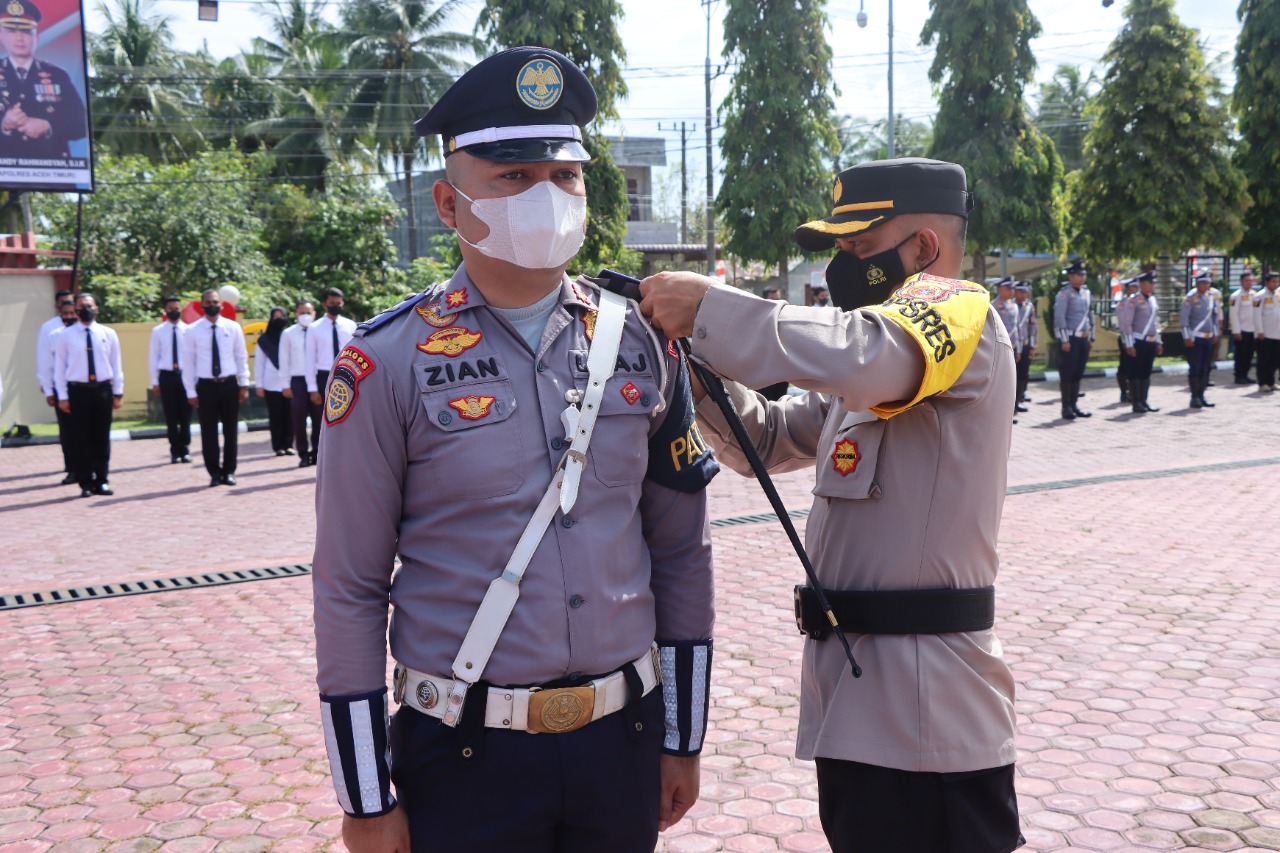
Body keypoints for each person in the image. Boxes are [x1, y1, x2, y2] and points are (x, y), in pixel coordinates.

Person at [311, 46, 718, 853]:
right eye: (511, 176)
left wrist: (683, 734)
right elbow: (350, 585)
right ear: (449, 203)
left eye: (565, 176)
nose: (547, 196)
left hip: (621, 740)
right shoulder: (386, 360)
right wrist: (364, 796)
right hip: (464, 751)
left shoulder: (640, 340)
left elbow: (681, 552)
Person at [640, 157, 1022, 853]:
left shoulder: (959, 314)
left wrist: (712, 308)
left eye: (859, 250)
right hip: (855, 704)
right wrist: (691, 369)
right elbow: (775, 435)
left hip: (932, 715)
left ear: (924, 249)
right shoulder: (874, 366)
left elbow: (862, 353)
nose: (844, 269)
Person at [0, 0, 88, 162]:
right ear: (1, 36)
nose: (19, 38)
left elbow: (81, 124)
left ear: (37, 38)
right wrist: (4, 124)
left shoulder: (58, 76)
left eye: (26, 32)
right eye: (12, 31)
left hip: (52, 170)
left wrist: (49, 127)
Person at [53, 293, 122, 496]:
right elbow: (59, 368)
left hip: (102, 390)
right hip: (77, 390)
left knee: (101, 437)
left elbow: (116, 364)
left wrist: (118, 391)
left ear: (97, 308)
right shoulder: (65, 336)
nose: (86, 309)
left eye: (89, 305)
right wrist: (62, 397)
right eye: (82, 306)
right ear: (75, 309)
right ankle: (85, 482)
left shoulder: (108, 333)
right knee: (81, 438)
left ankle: (102, 479)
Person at [182, 288, 249, 486]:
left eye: (215, 302)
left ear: (222, 304)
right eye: (208, 303)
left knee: (231, 430)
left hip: (228, 384)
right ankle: (214, 472)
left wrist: (244, 383)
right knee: (208, 431)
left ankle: (229, 471)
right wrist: (191, 391)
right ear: (201, 305)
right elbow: (188, 362)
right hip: (206, 386)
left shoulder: (233, 327)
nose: (212, 306)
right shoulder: (192, 330)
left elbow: (240, 356)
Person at [35, 288, 75, 482]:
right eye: (63, 305)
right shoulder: (50, 329)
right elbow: (45, 361)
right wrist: (48, 388)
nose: (67, 309)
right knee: (67, 430)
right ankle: (72, 467)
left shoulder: (85, 328)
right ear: (57, 306)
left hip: (83, 386)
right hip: (61, 386)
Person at [149, 295, 191, 463]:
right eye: (170, 309)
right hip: (167, 375)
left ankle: (185, 448)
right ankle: (175, 450)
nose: (174, 311)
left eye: (176, 308)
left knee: (186, 415)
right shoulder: (158, 331)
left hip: (185, 375)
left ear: (181, 309)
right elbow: (154, 356)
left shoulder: (189, 330)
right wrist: (155, 380)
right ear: (165, 311)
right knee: (171, 415)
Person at [278, 300, 320, 467]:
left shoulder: (319, 331)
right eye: (302, 312)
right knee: (298, 418)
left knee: (319, 418)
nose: (305, 316)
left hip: (318, 378)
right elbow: (283, 359)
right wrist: (285, 384)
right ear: (295, 314)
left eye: (308, 312)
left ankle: (317, 452)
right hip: (297, 380)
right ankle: (303, 453)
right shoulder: (288, 333)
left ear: (314, 313)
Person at [305, 287, 357, 410]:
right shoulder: (314, 328)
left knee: (349, 412)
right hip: (324, 375)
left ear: (342, 303)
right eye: (332, 303)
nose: (336, 306)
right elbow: (310, 359)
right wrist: (312, 388)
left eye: (338, 303)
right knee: (324, 415)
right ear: (324, 305)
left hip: (347, 373)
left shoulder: (350, 326)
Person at [1054, 260, 1094, 419]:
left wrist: (1092, 336)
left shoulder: (1086, 293)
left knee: (1078, 372)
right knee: (1068, 373)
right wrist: (1064, 340)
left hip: (1083, 338)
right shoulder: (1064, 293)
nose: (1082, 278)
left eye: (1083, 275)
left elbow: (1091, 315)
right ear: (1071, 276)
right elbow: (1059, 317)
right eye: (1078, 275)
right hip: (1070, 338)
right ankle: (1066, 407)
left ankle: (1075, 404)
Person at [1119, 271, 1162, 414]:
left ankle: (1144, 400)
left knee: (1146, 373)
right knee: (1135, 373)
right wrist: (1130, 344)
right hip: (1138, 341)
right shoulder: (1133, 300)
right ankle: (1136, 401)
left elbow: (1156, 322)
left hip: (1150, 341)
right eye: (1150, 283)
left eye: (1153, 283)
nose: (1152, 285)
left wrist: (1159, 341)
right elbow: (1127, 324)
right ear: (1143, 284)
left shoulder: (1152, 300)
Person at [253, 307, 294, 457]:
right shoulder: (264, 340)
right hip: (270, 382)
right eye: (275, 317)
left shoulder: (291, 334)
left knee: (289, 415)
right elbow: (259, 363)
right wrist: (259, 384)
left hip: (290, 381)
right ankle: (278, 446)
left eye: (281, 316)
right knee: (275, 416)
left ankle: (289, 444)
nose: (278, 320)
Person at [1181, 270, 1221, 409]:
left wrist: (1216, 333)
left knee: (1205, 368)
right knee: (1195, 367)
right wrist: (1187, 337)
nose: (1206, 285)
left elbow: (1214, 317)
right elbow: (1184, 320)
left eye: (1207, 283)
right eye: (1203, 283)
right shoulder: (1190, 298)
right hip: (1195, 338)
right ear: (1197, 284)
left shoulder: (1211, 297)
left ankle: (1202, 395)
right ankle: (1194, 397)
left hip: (1208, 337)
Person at [991, 277, 1022, 422]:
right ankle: (1000, 415)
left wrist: (1019, 349)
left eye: (1012, 288)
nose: (1011, 291)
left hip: (1013, 348)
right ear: (1000, 289)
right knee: (1000, 384)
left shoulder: (1014, 306)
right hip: (999, 350)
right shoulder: (993, 306)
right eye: (1008, 288)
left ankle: (1010, 412)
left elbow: (1017, 328)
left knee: (1011, 383)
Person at [756, 287, 790, 400]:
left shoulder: (785, 317)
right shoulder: (757, 319)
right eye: (773, 299)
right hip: (764, 371)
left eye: (778, 299)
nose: (777, 302)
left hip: (782, 370)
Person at [1229, 269, 1258, 385]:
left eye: (1251, 280)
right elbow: (1233, 314)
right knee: (1240, 354)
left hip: (1253, 330)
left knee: (1249, 354)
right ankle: (1239, 375)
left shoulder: (1254, 295)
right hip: (1242, 330)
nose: (1249, 283)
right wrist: (1236, 331)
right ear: (1241, 282)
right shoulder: (1235, 296)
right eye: (1246, 280)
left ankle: (1245, 374)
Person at [1114, 276, 1140, 403]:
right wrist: (1125, 341)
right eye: (1133, 288)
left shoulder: (1139, 302)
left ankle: (1133, 391)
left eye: (1136, 287)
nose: (1135, 290)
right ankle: (1124, 392)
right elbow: (1123, 323)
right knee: (1124, 366)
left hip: (1137, 338)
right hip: (1125, 338)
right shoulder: (1123, 303)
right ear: (1128, 289)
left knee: (1135, 366)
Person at [1254, 271, 1280, 392]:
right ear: (1266, 282)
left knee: (1274, 359)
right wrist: (1260, 331)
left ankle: (1271, 381)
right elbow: (1256, 314)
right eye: (1273, 281)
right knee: (1264, 359)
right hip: (1265, 333)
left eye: (1277, 281)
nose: (1276, 284)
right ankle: (1263, 382)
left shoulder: (1278, 294)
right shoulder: (1260, 296)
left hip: (1277, 333)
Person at [1012, 280, 1036, 411]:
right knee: (1012, 374)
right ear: (1015, 292)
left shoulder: (1029, 306)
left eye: (1025, 292)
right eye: (1020, 292)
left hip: (1025, 344)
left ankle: (1019, 399)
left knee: (1023, 373)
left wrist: (1032, 346)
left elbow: (1033, 326)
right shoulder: (1009, 305)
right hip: (1013, 345)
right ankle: (1011, 401)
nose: (1023, 295)